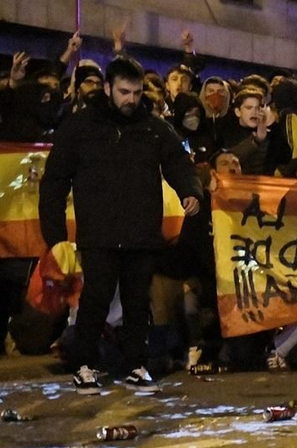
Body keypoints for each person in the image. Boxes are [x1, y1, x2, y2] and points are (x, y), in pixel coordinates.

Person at [39, 56, 202, 393]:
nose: (131, 99)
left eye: (137, 92)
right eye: (124, 92)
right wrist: (55, 237)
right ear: (108, 88)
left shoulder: (154, 128)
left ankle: (136, 365)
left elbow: (178, 163)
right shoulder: (80, 128)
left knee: (137, 303)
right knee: (94, 300)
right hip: (98, 233)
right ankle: (84, 364)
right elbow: (54, 182)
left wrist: (190, 191)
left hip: (141, 232)